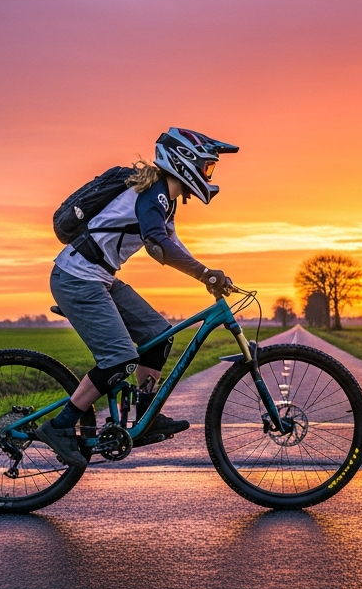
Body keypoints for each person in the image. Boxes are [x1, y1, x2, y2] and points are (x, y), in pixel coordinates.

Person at [35, 127, 238, 468]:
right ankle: (60, 426)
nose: (208, 175)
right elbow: (158, 244)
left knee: (159, 337)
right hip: (76, 277)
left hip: (99, 278)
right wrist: (204, 274)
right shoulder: (153, 193)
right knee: (119, 358)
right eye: (206, 167)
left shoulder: (163, 200)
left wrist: (206, 274)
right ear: (184, 161)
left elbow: (170, 244)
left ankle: (147, 416)